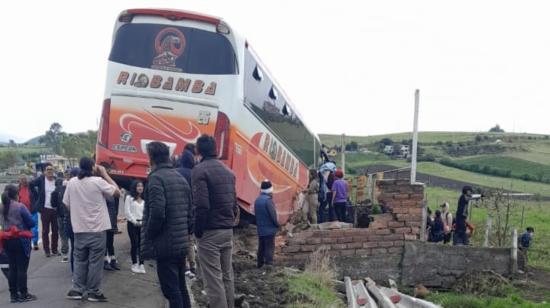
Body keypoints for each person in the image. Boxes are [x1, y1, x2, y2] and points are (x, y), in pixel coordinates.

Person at [141, 141, 192, 308]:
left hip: (165, 244)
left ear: (152, 158)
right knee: (180, 286)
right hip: (181, 242)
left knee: (171, 290)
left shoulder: (156, 178)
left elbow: (157, 212)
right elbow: (190, 212)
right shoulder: (180, 178)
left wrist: (149, 234)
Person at [63, 157, 120, 302]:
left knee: (79, 260)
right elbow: (117, 192)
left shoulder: (71, 183)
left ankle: (77, 289)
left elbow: (67, 204)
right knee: (96, 262)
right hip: (97, 229)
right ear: (93, 167)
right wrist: (105, 174)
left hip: (79, 229)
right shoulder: (98, 181)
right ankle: (93, 291)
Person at [192, 134, 237, 308]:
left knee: (213, 279)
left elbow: (201, 205)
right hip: (227, 229)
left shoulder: (200, 170)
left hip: (210, 231)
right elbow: (233, 203)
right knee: (227, 275)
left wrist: (198, 230)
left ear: (198, 150)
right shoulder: (228, 171)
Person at [1, 185, 37, 303]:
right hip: (20, 239)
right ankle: (24, 293)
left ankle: (13, 295)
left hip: (6, 240)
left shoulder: (1, 207)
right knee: (22, 269)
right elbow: (31, 222)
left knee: (12, 268)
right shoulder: (20, 206)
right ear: (16, 194)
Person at [176, 146, 197, 276]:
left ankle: (184, 265)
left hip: (178, 210)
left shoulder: (176, 172)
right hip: (192, 211)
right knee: (190, 240)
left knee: (180, 239)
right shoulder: (195, 174)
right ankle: (193, 265)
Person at [29, 163, 59, 257]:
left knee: (55, 230)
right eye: (48, 170)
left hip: (55, 209)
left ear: (53, 171)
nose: (49, 171)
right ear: (45, 172)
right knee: (45, 230)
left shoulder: (56, 180)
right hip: (45, 209)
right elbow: (31, 185)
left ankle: (54, 249)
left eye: (51, 169)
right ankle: (47, 250)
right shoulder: (41, 179)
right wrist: (37, 196)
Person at [254, 180, 279, 268]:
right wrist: (277, 224)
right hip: (269, 229)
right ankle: (269, 264)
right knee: (269, 246)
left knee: (261, 247)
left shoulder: (257, 200)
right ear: (270, 190)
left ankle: (259, 264)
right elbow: (273, 215)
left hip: (260, 229)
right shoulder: (268, 201)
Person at [125, 180, 145, 274]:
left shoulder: (145, 199)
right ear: (134, 187)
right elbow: (127, 212)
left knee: (142, 245)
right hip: (132, 224)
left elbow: (146, 212)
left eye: (141, 186)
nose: (140, 188)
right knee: (134, 244)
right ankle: (134, 263)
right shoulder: (129, 197)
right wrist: (134, 221)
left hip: (142, 224)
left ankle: (141, 264)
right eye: (138, 186)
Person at [50, 178, 69, 262]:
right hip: (69, 216)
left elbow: (53, 205)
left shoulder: (54, 193)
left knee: (63, 236)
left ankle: (65, 255)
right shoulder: (67, 190)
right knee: (73, 235)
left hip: (59, 216)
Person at [18, 176, 39, 251]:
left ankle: (35, 242)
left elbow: (37, 197)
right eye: (22, 180)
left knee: (34, 228)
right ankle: (27, 244)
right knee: (24, 229)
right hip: (22, 213)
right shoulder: (18, 189)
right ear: (20, 181)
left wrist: (35, 205)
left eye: (25, 180)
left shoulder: (32, 189)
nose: (24, 181)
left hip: (32, 211)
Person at [103, 195, 120, 271]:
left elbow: (115, 210)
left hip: (112, 221)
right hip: (104, 221)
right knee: (104, 242)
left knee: (110, 242)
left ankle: (112, 259)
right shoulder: (102, 194)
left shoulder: (113, 195)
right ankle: (105, 260)